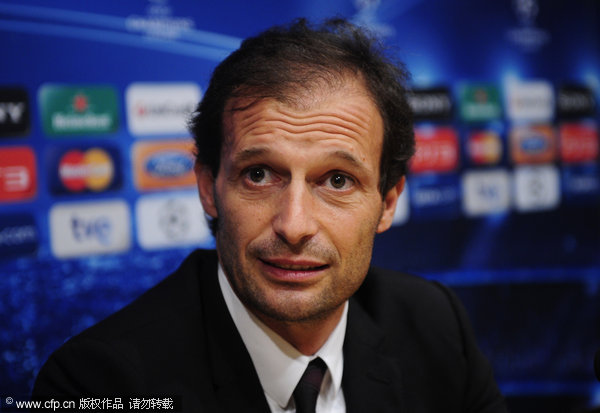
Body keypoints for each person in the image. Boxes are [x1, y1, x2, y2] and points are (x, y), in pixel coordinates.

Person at [33, 18, 508, 412]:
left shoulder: (437, 327)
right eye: (259, 174)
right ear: (208, 188)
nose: (295, 224)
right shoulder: (95, 386)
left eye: (338, 180)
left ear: (387, 203)